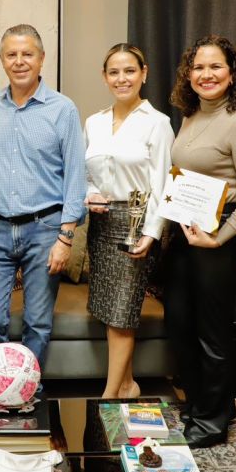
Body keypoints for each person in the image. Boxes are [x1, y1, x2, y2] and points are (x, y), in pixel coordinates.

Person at [161, 35, 236, 448]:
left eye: (215, 66)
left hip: (220, 234)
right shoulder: (190, 115)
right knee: (180, 321)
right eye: (198, 67)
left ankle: (212, 421)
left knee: (211, 329)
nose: (206, 74)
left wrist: (219, 238)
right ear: (188, 75)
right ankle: (205, 401)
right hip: (186, 229)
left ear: (231, 73)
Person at [0, 24, 87, 373]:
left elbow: (75, 176)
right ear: (2, 60)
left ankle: (29, 392)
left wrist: (65, 238)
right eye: (11, 55)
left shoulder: (62, 109)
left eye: (27, 54)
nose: (19, 61)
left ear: (41, 58)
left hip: (45, 230)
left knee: (37, 323)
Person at [83, 43, 173, 399]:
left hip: (137, 226)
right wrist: (90, 194)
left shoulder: (158, 124)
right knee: (109, 311)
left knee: (122, 313)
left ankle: (107, 398)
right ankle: (127, 384)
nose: (122, 79)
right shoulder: (94, 122)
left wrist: (152, 233)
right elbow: (88, 175)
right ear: (105, 77)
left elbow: (165, 185)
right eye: (114, 72)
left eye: (130, 71)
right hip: (101, 224)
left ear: (144, 74)